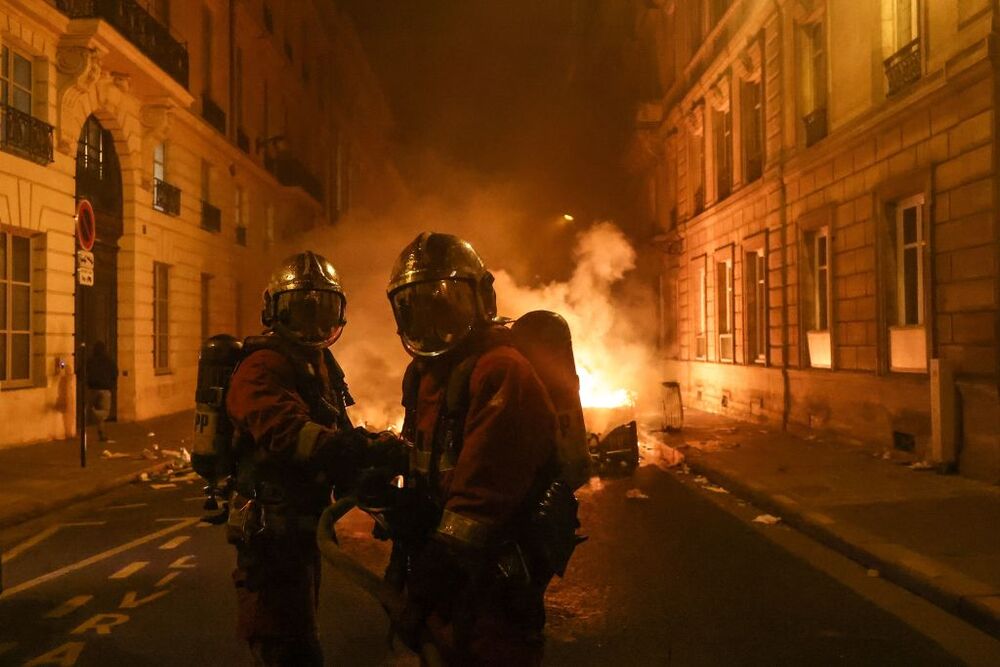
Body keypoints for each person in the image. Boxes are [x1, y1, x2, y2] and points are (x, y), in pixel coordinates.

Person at [386, 232, 560, 666]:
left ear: (481, 298)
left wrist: (428, 580)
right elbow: (428, 458)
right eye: (418, 306)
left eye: (443, 303)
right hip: (445, 580)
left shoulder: (501, 371)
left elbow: (480, 499)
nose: (431, 319)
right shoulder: (425, 374)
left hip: (490, 588)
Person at [225, 251, 401, 667]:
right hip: (271, 533)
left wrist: (370, 451)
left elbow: (333, 426)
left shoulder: (317, 362)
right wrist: (353, 451)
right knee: (283, 644)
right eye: (301, 310)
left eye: (323, 309)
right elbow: (288, 433)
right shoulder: (261, 367)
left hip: (301, 527)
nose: (313, 323)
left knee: (301, 628)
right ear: (275, 311)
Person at [86, 340, 117, 442]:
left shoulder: (90, 361)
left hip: (93, 389)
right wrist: (111, 384)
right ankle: (94, 414)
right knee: (104, 412)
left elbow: (81, 371)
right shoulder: (109, 361)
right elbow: (115, 373)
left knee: (91, 411)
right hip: (105, 389)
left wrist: (88, 381)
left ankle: (100, 432)